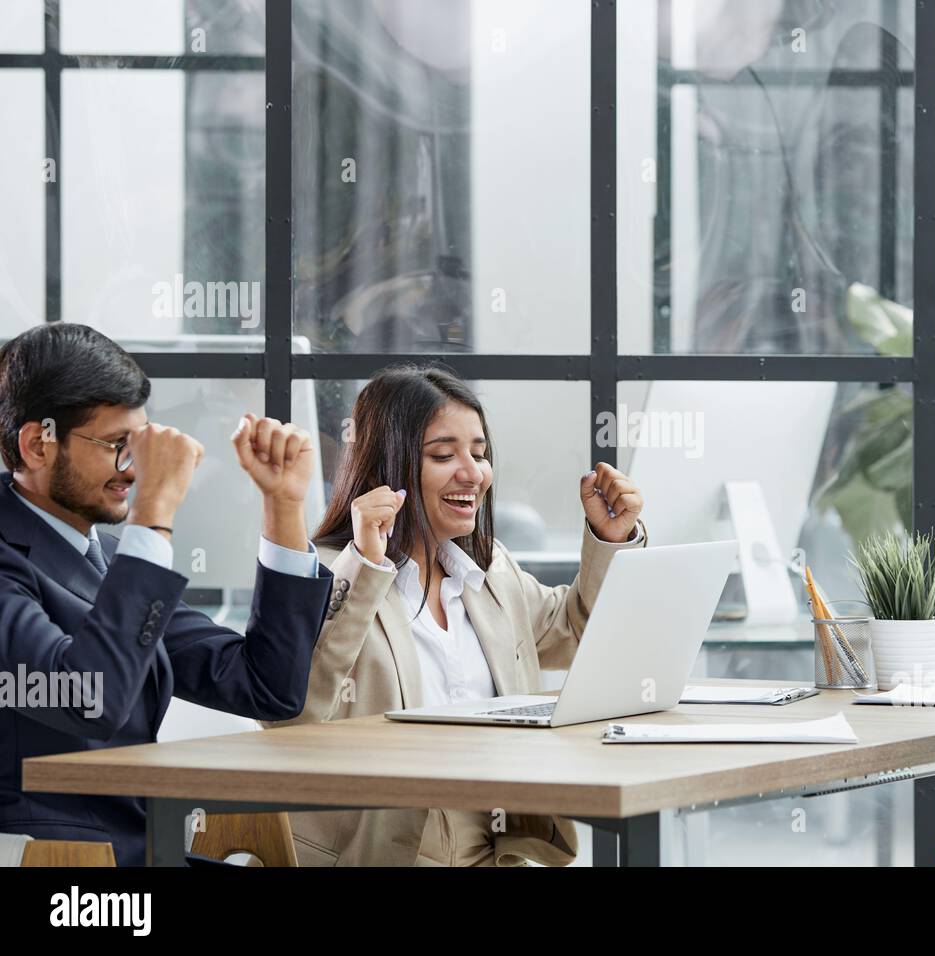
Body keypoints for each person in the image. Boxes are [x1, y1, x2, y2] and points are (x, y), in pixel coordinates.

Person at [263, 364, 647, 866]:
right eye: (443, 455)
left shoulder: (488, 569)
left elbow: (573, 630)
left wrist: (610, 539)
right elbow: (289, 710)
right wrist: (365, 565)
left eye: (480, 453)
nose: (473, 472)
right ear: (388, 467)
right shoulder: (324, 572)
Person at [0, 323, 333, 866]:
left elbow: (266, 686)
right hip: (55, 863)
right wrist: (152, 514)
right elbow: (82, 697)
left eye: (141, 446)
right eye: (117, 447)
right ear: (38, 444)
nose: (134, 471)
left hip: (138, 854)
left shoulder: (106, 561)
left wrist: (283, 507)